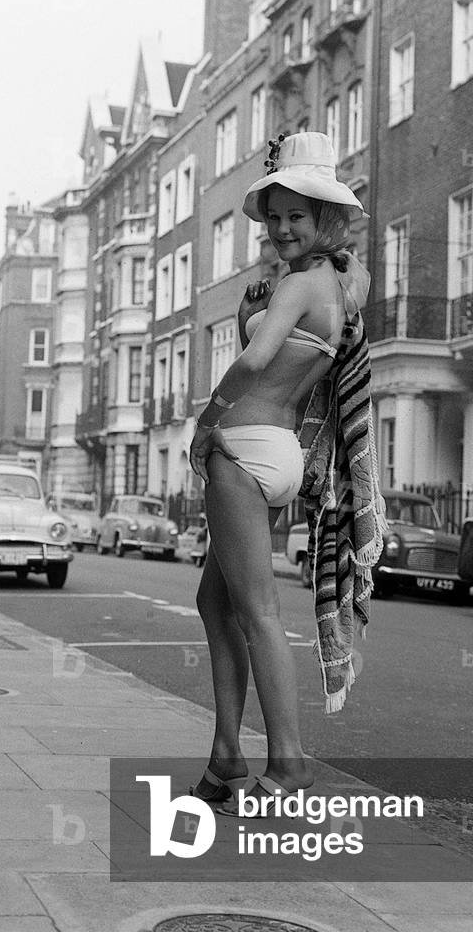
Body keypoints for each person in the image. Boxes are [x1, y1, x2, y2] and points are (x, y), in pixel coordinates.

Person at [188, 131, 374, 814]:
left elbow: (254, 360)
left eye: (297, 214)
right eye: (273, 215)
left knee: (259, 613)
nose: (280, 227)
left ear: (324, 218)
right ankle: (224, 759)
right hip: (279, 449)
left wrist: (206, 422)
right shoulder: (338, 286)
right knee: (215, 602)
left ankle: (288, 765)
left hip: (242, 445)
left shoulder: (300, 284)